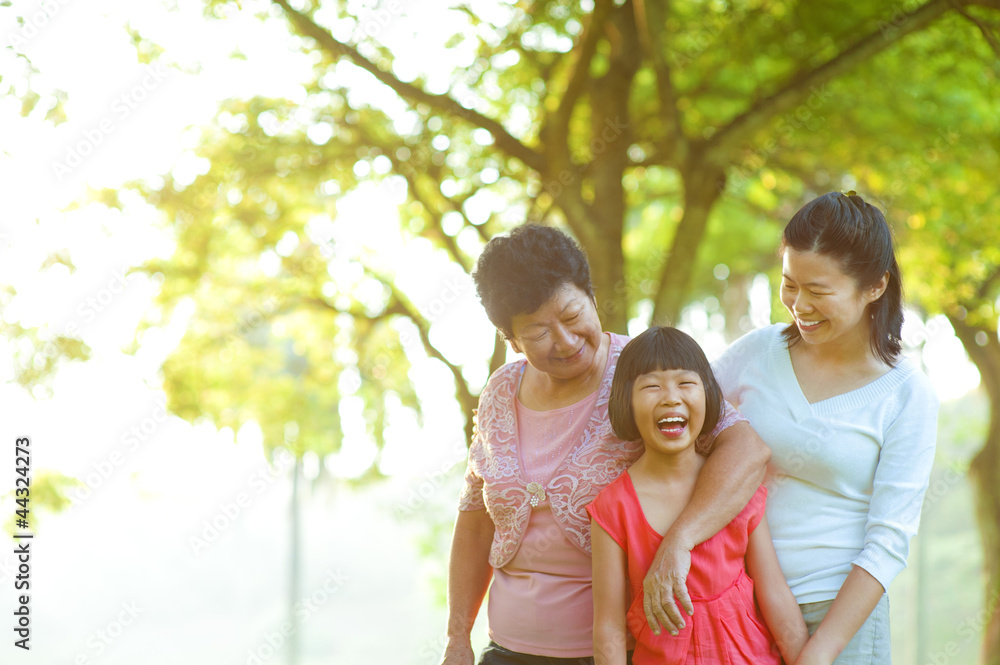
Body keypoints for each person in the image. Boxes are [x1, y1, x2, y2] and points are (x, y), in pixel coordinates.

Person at [441, 224, 771, 665]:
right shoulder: (500, 391)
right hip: (508, 651)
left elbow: (747, 449)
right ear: (512, 340)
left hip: (622, 652)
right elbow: (476, 519)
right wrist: (457, 637)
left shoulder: (646, 372)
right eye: (538, 332)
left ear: (593, 298)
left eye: (573, 316)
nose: (565, 340)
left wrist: (681, 540)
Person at [711, 191, 940, 664]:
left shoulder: (905, 394)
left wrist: (822, 650)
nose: (799, 304)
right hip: (735, 604)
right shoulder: (758, 352)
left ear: (874, 287)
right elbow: (683, 422)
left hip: (838, 619)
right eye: (789, 284)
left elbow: (888, 541)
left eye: (819, 291)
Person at [588, 326, 808, 665]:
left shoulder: (735, 488)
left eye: (685, 383)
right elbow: (609, 627)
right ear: (625, 402)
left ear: (708, 396)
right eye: (651, 386)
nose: (671, 397)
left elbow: (774, 591)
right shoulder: (612, 508)